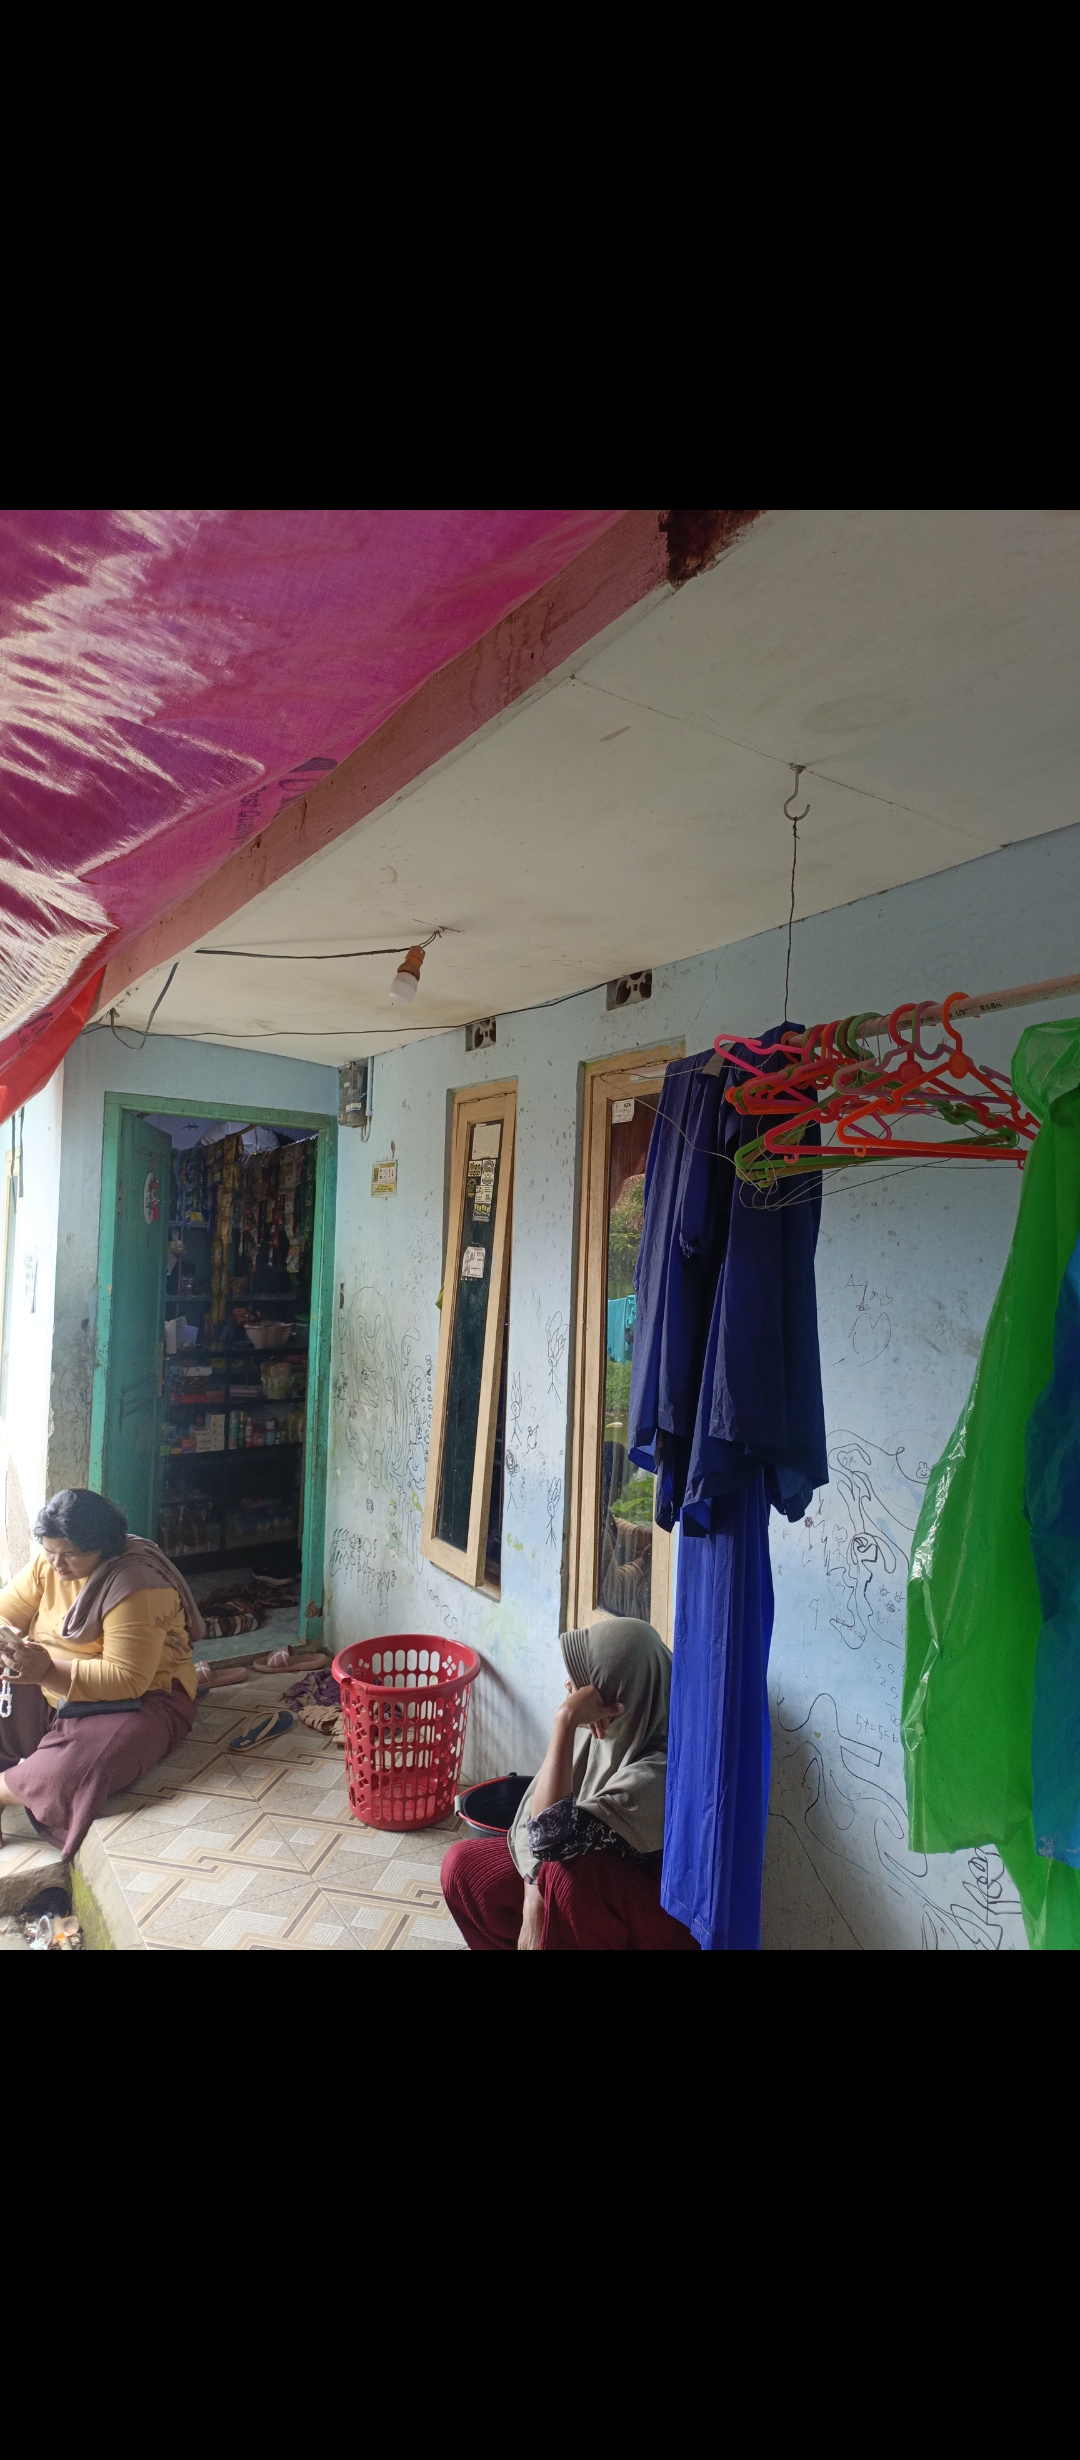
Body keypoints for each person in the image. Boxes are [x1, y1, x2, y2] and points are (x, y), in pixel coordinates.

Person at [441, 1617, 697, 1951]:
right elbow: (529, 1822)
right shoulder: (609, 1732)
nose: (570, 1688)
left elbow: (550, 1841)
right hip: (586, 1897)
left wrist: (564, 1721)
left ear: (620, 1697)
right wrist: (532, 1899)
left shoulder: (663, 1768)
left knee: (568, 1875)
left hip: (649, 1923)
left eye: (586, 1683)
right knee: (463, 1865)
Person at [0, 1488, 204, 1861]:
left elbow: (126, 1679)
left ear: (104, 1548)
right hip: (49, 1682)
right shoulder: (49, 1563)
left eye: (71, 1554)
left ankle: (5, 1789)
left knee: (77, 1770)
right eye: (50, 1551)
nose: (58, 1564)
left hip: (136, 1701)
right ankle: (29, 1761)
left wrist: (46, 1671)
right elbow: (6, 1611)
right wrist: (8, 1640)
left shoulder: (135, 1585)